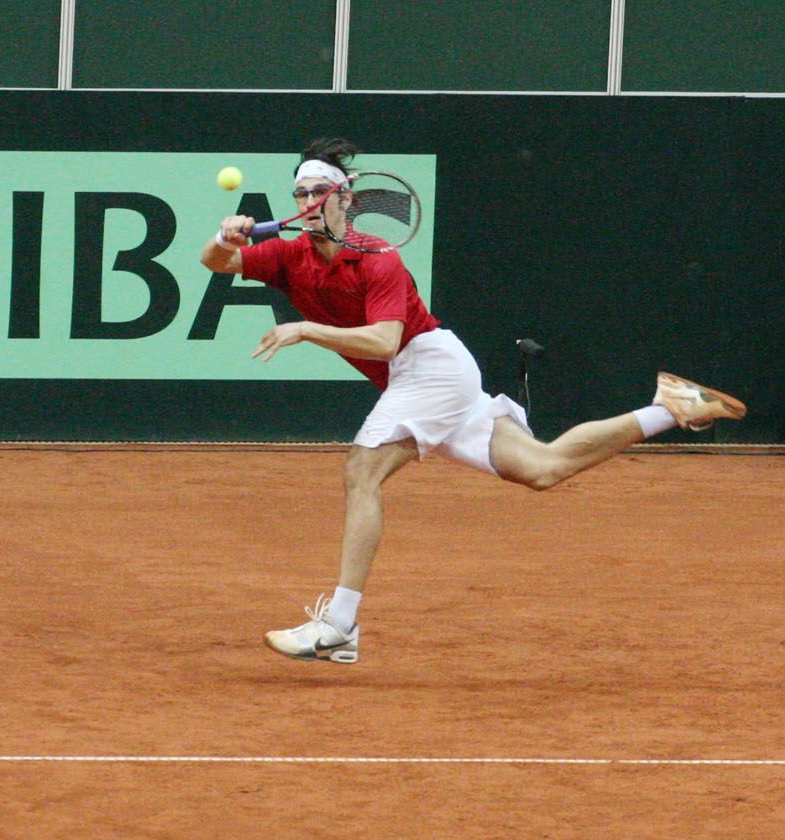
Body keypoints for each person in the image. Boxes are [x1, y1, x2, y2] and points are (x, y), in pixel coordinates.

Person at [202, 136, 746, 664]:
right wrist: (228, 238)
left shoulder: (378, 256)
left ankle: (340, 625)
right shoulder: (288, 254)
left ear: (346, 199)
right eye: (301, 193)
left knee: (362, 472)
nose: (308, 202)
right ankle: (671, 407)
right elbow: (215, 264)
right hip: (422, 379)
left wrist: (307, 329)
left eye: (320, 190)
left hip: (428, 367)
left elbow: (385, 341)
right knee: (543, 467)